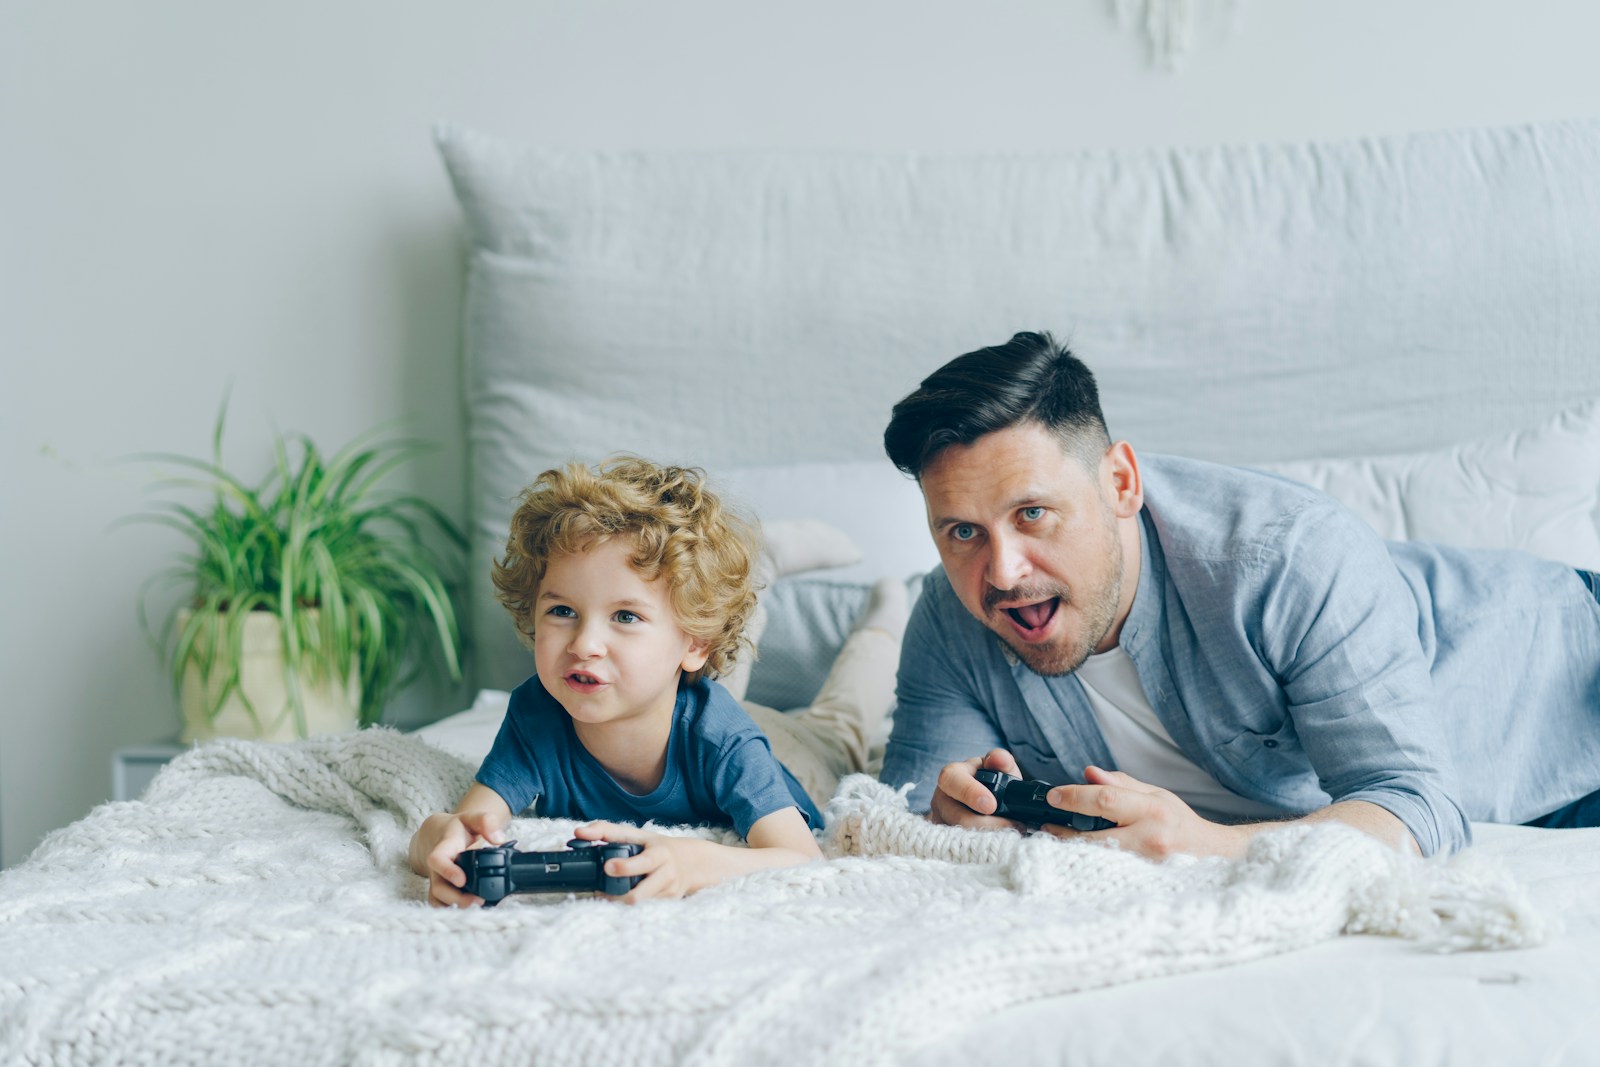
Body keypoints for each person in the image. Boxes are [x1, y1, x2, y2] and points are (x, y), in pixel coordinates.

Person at [878, 330, 1600, 860]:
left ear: (1121, 483)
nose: (1001, 571)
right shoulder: (949, 618)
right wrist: (951, 817)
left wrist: (1206, 845)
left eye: (1033, 513)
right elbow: (899, 820)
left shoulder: (1285, 556)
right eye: (963, 531)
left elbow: (1418, 804)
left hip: (1560, 674)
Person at [408, 456, 904, 905]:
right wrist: (440, 840)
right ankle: (751, 571)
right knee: (698, 668)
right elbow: (463, 825)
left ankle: (886, 616)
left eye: (624, 616)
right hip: (672, 701)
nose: (584, 644)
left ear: (693, 646)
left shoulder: (724, 738)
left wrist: (690, 862)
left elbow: (801, 857)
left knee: (842, 721)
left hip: (794, 751)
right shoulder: (538, 712)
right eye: (562, 610)